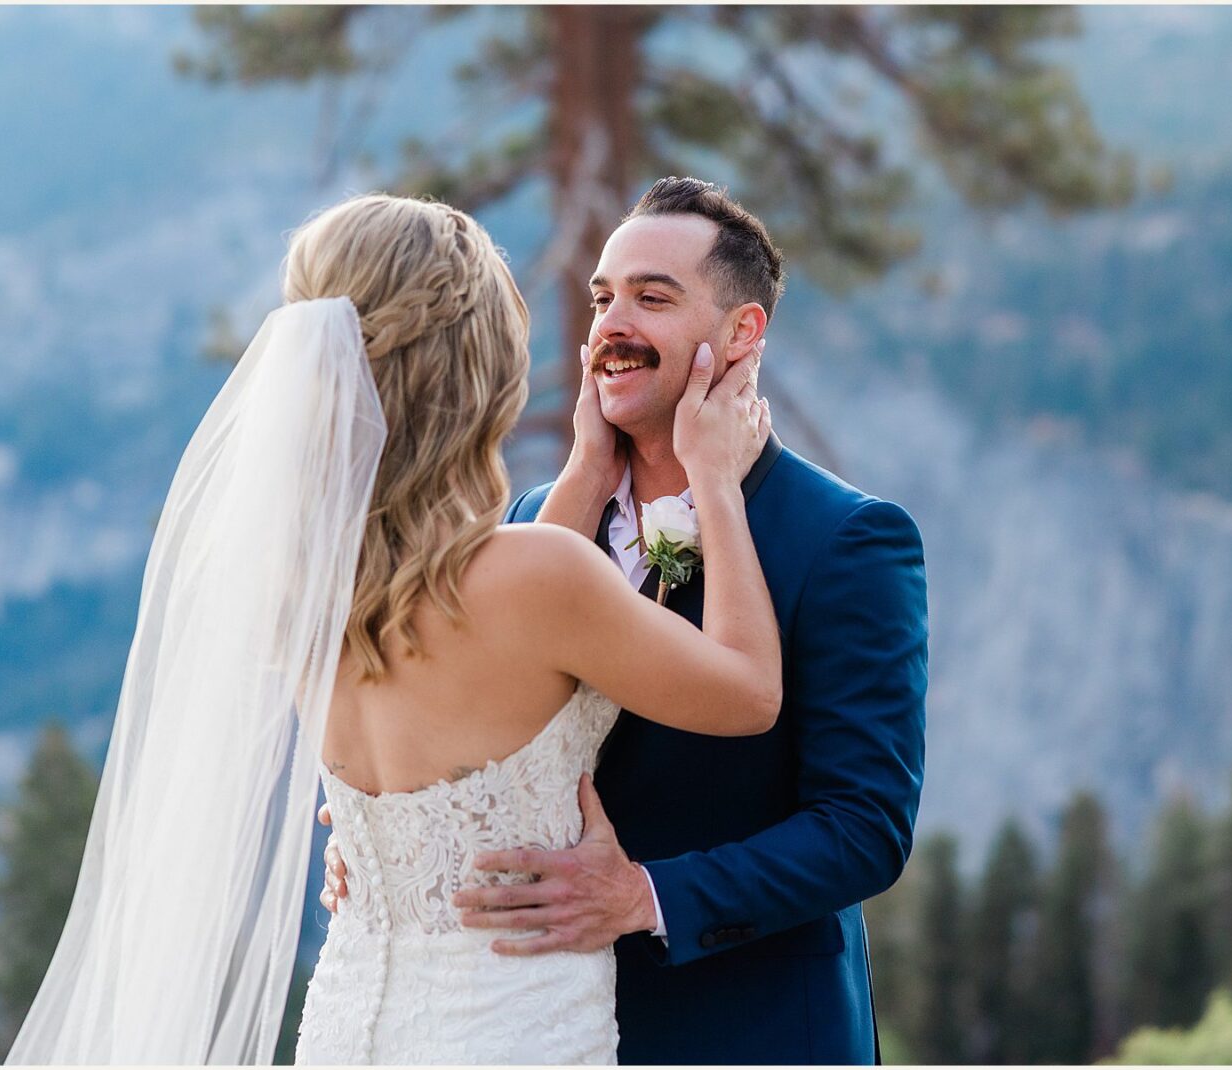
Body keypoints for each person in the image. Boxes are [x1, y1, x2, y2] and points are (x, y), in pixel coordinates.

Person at [4, 192, 777, 1065]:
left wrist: (588, 474)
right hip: (508, 1034)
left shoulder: (304, 584)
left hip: (350, 1024)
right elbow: (748, 693)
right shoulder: (536, 579)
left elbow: (513, 642)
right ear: (473, 377)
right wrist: (715, 480)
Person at [324, 177, 930, 1064]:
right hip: (522, 1020)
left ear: (741, 333)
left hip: (741, 1031)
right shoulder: (532, 526)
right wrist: (396, 837)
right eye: (603, 297)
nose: (612, 324)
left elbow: (864, 829)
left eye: (653, 298)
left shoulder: (846, 539)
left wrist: (647, 895)